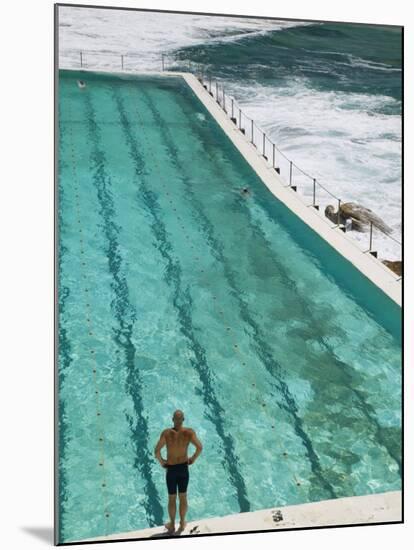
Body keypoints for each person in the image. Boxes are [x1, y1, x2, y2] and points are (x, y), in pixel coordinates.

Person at [154, 410, 203, 535]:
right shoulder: (189, 432)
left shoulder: (166, 433)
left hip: (171, 469)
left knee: (171, 498)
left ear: (172, 419)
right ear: (183, 420)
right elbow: (199, 447)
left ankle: (171, 525)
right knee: (183, 496)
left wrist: (162, 463)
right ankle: (182, 523)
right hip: (183, 468)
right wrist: (192, 459)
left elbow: (157, 451)